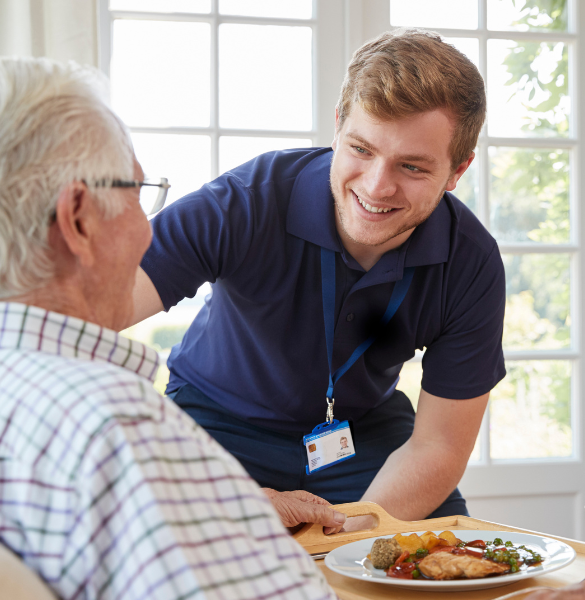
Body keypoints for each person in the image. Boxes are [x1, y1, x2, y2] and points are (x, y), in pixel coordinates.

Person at [0, 56, 338, 599]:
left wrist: (208, 506)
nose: (149, 232)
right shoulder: (114, 425)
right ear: (78, 219)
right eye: (135, 194)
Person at [133, 28, 506, 524]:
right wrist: (228, 505)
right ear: (337, 128)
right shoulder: (245, 202)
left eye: (412, 166)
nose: (377, 186)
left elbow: (438, 446)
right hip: (216, 423)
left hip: (363, 434)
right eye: (361, 149)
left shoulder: (471, 261)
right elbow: (78, 307)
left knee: (435, 567)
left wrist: (347, 536)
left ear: (458, 170)